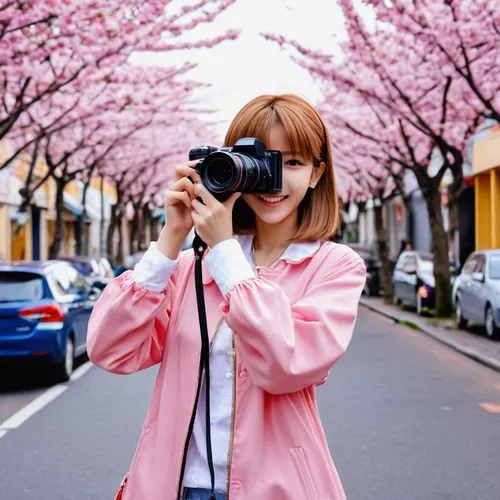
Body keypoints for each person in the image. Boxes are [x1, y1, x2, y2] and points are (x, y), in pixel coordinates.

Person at [87, 94, 366, 500]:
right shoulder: (190, 268)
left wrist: (225, 254)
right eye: (260, 162)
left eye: (292, 163)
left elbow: (285, 364)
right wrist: (172, 237)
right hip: (176, 487)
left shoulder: (335, 267)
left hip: (276, 490)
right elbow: (110, 349)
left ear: (317, 173)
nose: (274, 180)